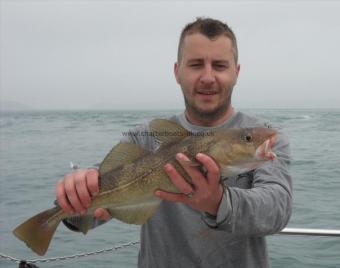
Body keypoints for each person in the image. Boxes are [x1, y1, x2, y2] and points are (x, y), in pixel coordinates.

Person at [55, 17, 292, 268]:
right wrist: (76, 194)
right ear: (177, 71)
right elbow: (93, 207)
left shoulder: (264, 138)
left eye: (220, 65)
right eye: (196, 64)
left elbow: (276, 210)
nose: (208, 77)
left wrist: (218, 201)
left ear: (237, 72)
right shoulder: (144, 137)